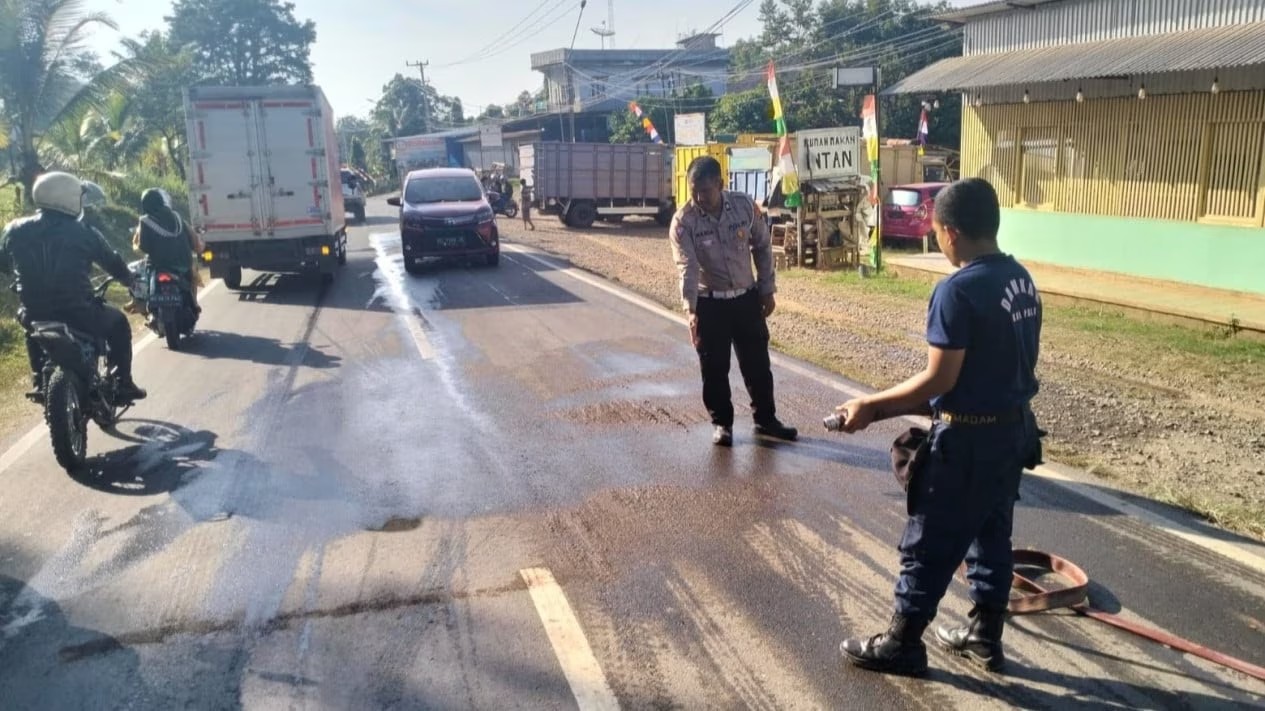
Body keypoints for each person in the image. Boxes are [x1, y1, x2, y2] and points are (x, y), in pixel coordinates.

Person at [835, 178, 1042, 676]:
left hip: (968, 439)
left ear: (949, 232)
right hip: (1011, 433)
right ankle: (984, 636)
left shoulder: (957, 289)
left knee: (928, 542)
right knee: (992, 534)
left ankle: (903, 643)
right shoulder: (1021, 279)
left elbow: (939, 377)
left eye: (936, 233)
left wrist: (871, 406)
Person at [669, 156, 797, 447]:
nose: (699, 198)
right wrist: (689, 310)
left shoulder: (743, 206)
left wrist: (767, 289)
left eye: (705, 191)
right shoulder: (683, 221)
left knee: (757, 365)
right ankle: (722, 424)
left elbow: (763, 246)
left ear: (720, 184)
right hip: (709, 304)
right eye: (694, 191)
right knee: (714, 369)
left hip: (745, 300)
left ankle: (766, 420)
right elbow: (686, 267)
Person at [0, 172, 146, 401]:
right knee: (118, 323)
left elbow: (4, 265)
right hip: (80, 313)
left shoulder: (13, 229)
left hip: (33, 313)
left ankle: (39, 379)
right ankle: (123, 383)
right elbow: (113, 262)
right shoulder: (85, 232)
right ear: (68, 198)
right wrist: (129, 280)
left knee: (30, 328)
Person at [132, 187, 203, 302]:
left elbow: (143, 247)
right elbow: (193, 242)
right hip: (183, 266)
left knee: (142, 281)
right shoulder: (177, 217)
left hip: (158, 266)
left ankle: (145, 307)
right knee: (191, 282)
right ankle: (194, 304)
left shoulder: (144, 220)